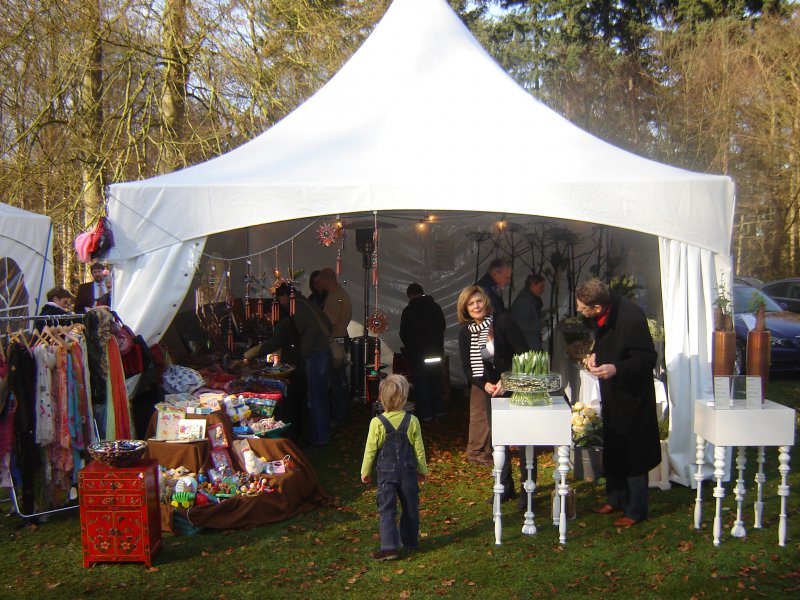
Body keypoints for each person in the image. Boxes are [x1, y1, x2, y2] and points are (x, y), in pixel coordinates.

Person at [576, 278, 660, 528]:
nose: (580, 311)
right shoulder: (606, 311)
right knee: (614, 445)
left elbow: (647, 359)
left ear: (598, 308)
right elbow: (605, 340)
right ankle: (615, 498)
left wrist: (616, 368)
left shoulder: (631, 318)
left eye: (583, 308)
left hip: (633, 396)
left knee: (634, 452)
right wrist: (595, 355)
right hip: (613, 395)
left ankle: (636, 510)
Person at [457, 285, 528, 502]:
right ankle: (506, 487)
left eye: (478, 301)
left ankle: (527, 488)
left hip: (514, 388)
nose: (476, 306)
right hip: (491, 392)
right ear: (465, 309)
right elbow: (467, 367)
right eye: (471, 303)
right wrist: (483, 384)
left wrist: (507, 379)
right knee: (499, 441)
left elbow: (523, 355)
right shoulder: (465, 333)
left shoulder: (503, 322)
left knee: (522, 439)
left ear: (485, 302)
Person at [244, 283, 332, 446]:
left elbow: (311, 330)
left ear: (285, 296)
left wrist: (302, 354)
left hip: (316, 353)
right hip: (320, 351)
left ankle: (320, 438)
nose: (280, 302)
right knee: (319, 396)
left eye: (279, 298)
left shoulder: (297, 305)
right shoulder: (303, 302)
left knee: (316, 398)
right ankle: (322, 434)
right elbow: (324, 324)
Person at [360, 374, 428, 561]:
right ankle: (410, 541)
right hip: (408, 472)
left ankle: (390, 547)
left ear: (381, 399)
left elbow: (370, 451)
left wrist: (365, 472)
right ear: (404, 398)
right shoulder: (412, 421)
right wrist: (422, 470)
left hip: (386, 474)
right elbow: (419, 449)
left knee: (387, 508)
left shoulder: (376, 423)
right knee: (410, 506)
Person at [399, 283, 446, 421]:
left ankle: (425, 414)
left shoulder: (409, 310)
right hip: (436, 353)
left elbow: (404, 333)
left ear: (410, 295)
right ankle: (439, 410)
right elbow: (442, 327)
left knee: (422, 384)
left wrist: (411, 348)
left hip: (419, 355)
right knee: (436, 382)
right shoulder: (435, 307)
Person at [318, 267, 352, 425]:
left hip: (335, 341)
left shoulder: (334, 297)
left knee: (336, 380)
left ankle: (339, 416)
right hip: (341, 338)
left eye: (321, 281)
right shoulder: (341, 294)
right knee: (341, 379)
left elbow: (327, 323)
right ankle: (343, 413)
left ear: (326, 280)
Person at [511, 273, 546, 351]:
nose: (542, 290)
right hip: (527, 346)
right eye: (541, 287)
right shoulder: (524, 301)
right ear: (533, 285)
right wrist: (540, 324)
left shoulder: (529, 300)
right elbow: (521, 323)